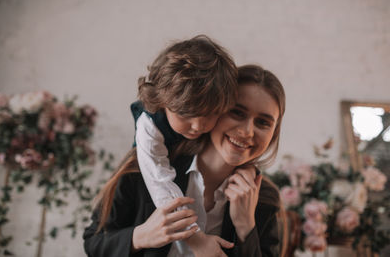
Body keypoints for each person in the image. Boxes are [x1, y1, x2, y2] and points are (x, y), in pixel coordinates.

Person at [83, 64, 286, 257]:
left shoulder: (265, 198)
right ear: (213, 108)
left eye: (263, 122)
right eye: (237, 112)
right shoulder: (148, 168)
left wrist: (245, 226)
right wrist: (142, 236)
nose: (247, 131)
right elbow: (94, 242)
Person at [130, 34, 238, 249]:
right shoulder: (149, 128)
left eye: (210, 114)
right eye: (185, 115)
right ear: (162, 102)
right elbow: (160, 184)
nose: (198, 126)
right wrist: (195, 239)